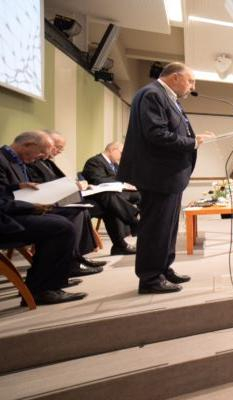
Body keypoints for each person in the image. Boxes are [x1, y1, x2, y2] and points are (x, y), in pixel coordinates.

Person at [118, 62, 215, 294]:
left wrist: (194, 139)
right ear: (174, 77)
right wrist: (194, 142)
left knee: (168, 227)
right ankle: (150, 278)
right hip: (157, 175)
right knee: (155, 228)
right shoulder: (152, 94)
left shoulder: (169, 98)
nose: (193, 87)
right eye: (190, 81)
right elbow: (157, 134)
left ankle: (163, 268)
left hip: (168, 175)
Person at [1, 131, 105, 276]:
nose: (40, 158)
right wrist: (34, 206)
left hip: (17, 211)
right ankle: (44, 286)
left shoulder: (16, 160)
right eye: (40, 154)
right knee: (60, 225)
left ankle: (64, 269)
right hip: (6, 220)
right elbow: (2, 201)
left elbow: (6, 190)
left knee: (73, 212)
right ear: (28, 145)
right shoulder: (3, 160)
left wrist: (20, 187)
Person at [0, 183, 86, 305]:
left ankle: (38, 286)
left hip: (7, 213)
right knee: (61, 228)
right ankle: (42, 290)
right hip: (3, 221)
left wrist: (18, 188)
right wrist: (30, 207)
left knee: (60, 221)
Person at [81, 141, 141, 255]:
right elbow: (98, 180)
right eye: (122, 152)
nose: (123, 156)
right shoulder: (94, 162)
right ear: (112, 150)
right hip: (99, 196)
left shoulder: (115, 165)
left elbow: (123, 177)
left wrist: (130, 183)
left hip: (116, 194)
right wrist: (123, 183)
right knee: (111, 204)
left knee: (142, 194)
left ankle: (149, 223)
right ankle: (134, 221)